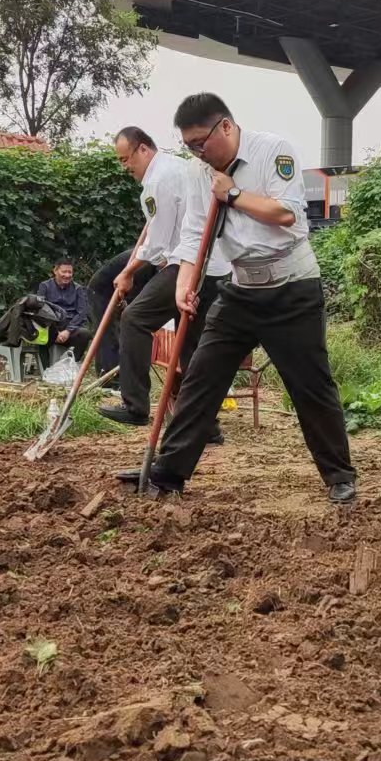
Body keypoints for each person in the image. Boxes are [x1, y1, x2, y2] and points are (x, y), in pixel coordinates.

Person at [128, 92, 357, 504]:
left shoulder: (273, 151)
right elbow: (195, 235)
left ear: (226, 127)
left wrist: (232, 194)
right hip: (241, 291)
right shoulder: (202, 172)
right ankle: (168, 473)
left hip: (292, 288)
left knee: (310, 384)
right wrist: (183, 286)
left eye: (202, 142)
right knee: (201, 376)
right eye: (189, 146)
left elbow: (286, 213)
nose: (198, 153)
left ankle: (339, 475)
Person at [100, 126, 229, 443]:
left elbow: (157, 245)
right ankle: (204, 425)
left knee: (135, 318)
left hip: (189, 264)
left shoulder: (158, 179)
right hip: (214, 267)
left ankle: (135, 406)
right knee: (192, 345)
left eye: (126, 159)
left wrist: (128, 271)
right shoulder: (176, 169)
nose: (125, 167)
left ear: (143, 149)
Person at [30, 260, 89, 368]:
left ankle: (70, 367)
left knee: (84, 334)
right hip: (50, 325)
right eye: (64, 272)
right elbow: (39, 309)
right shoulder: (45, 286)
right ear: (55, 271)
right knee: (41, 336)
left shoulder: (78, 289)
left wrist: (68, 331)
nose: (67, 275)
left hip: (70, 326)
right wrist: (55, 331)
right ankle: (46, 371)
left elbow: (82, 313)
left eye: (70, 272)